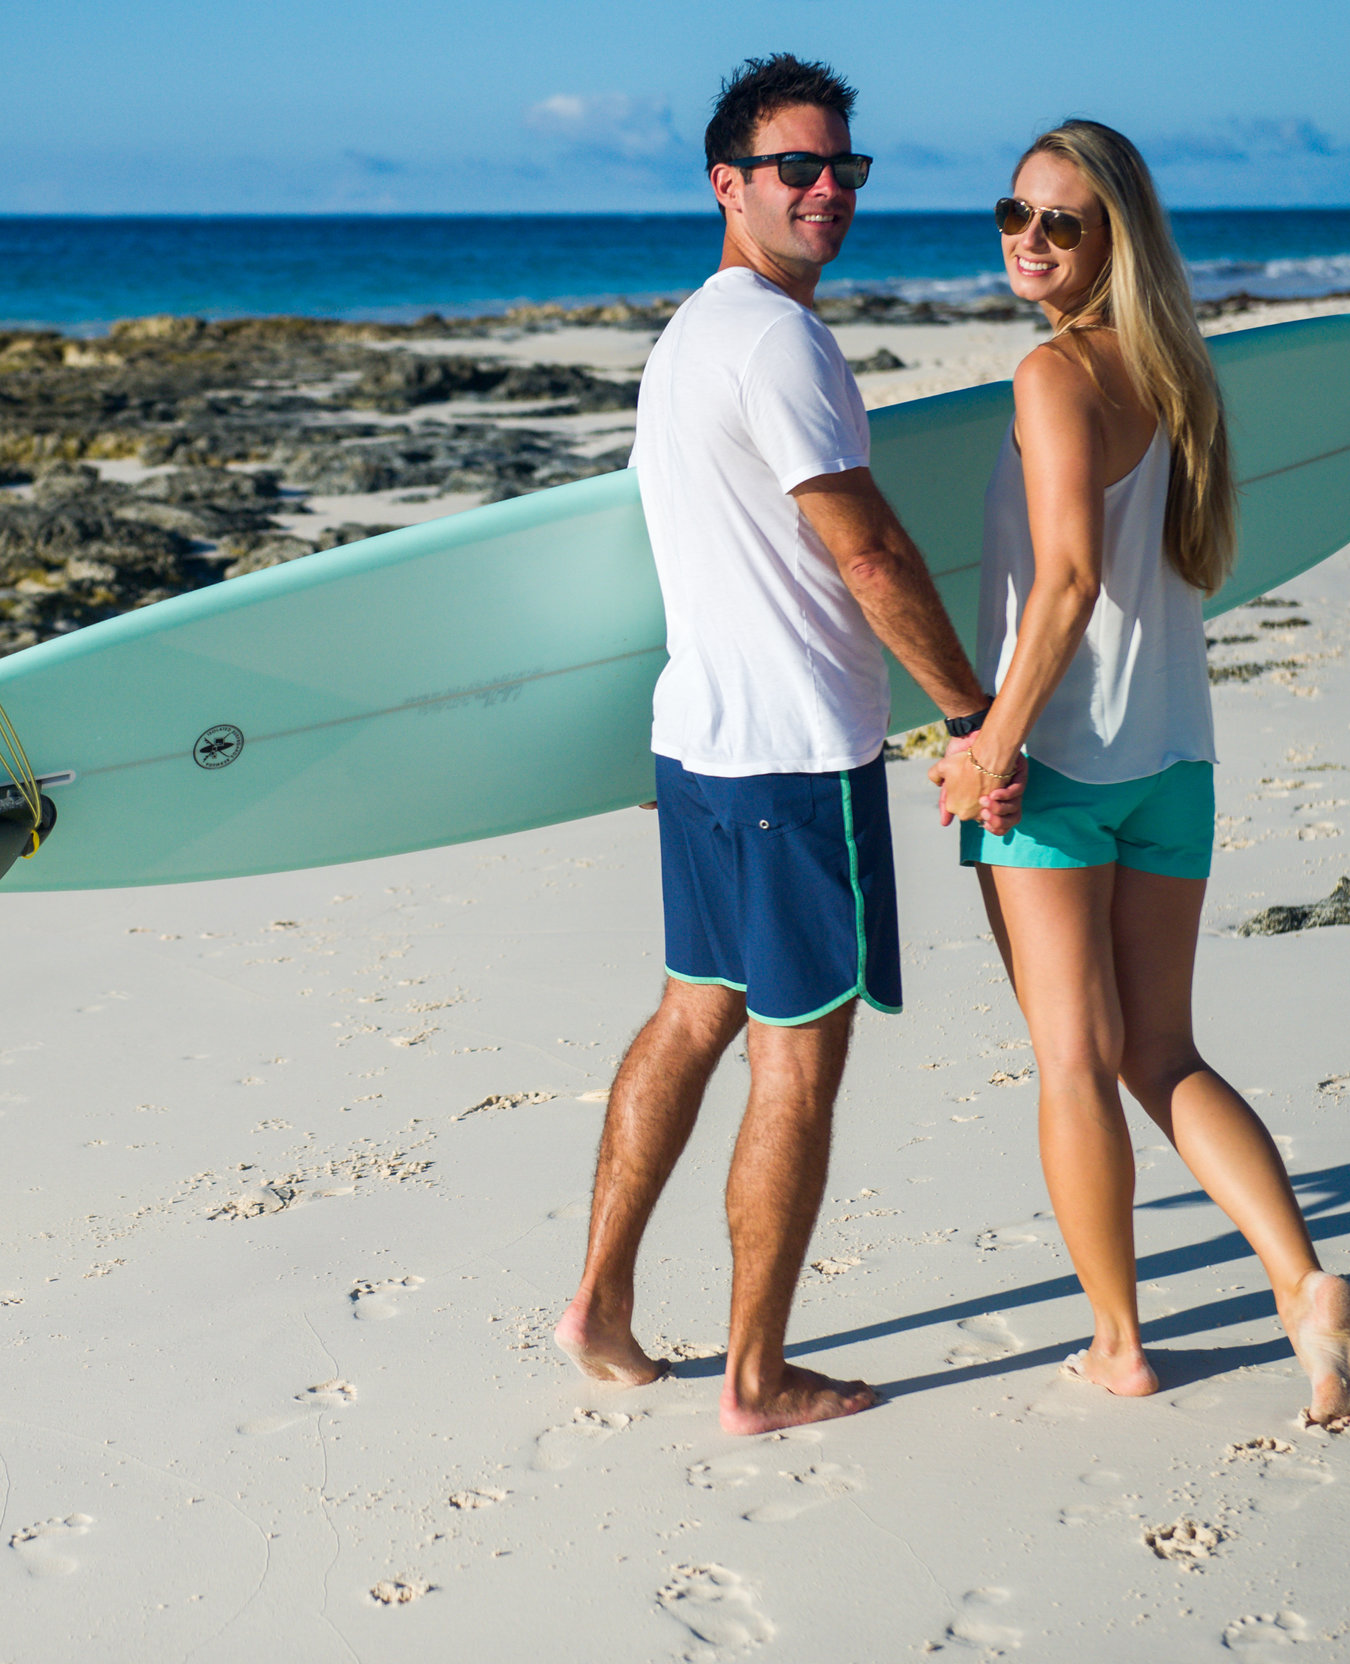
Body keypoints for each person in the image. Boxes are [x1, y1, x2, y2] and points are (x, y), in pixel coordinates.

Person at [555, 55, 1018, 1435]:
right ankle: (754, 1378)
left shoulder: (693, 332)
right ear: (726, 184)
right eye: (795, 171)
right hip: (794, 757)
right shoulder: (776, 341)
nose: (826, 192)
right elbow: (867, 548)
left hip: (696, 742)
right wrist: (972, 706)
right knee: (795, 1064)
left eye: (844, 171)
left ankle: (601, 1306)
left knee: (692, 1011)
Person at [932, 120, 1350, 1424]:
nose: (1028, 240)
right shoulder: (1182, 378)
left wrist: (988, 750)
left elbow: (1064, 583)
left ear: (1112, 238)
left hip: (1057, 770)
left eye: (1060, 223)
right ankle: (1301, 1284)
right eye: (1012, 214)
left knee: (1074, 1059)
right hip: (1176, 758)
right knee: (1165, 1049)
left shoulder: (1052, 375)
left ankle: (1119, 1343)